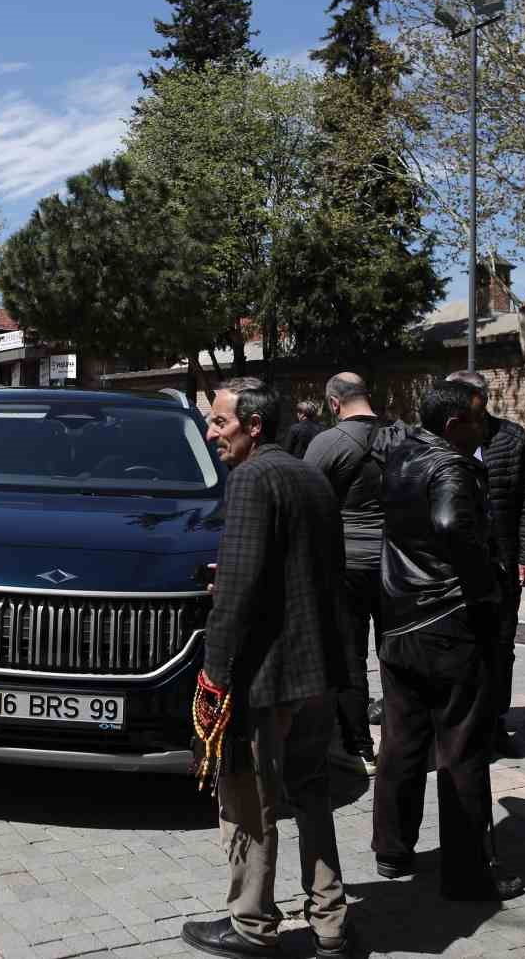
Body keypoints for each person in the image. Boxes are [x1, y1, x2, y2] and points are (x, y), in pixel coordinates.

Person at [182, 379, 351, 959]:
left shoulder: (252, 478)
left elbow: (241, 589)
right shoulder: (310, 474)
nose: (211, 433)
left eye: (220, 423)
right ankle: (330, 921)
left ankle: (251, 923)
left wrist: (214, 673)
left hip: (269, 676)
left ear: (254, 427)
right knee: (313, 793)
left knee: (249, 797)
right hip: (317, 671)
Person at [374, 381, 523, 900]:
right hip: (447, 622)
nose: (487, 429)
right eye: (479, 421)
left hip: (398, 617)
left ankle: (392, 849)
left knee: (402, 738)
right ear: (454, 424)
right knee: (461, 746)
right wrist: (486, 587)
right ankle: (467, 872)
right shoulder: (450, 465)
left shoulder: (401, 453)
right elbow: (449, 522)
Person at [303, 372, 406, 777]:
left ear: (333, 403)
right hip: (398, 565)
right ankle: (403, 742)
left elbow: (306, 502)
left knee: (350, 658)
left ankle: (357, 747)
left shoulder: (327, 443)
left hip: (345, 565)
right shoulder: (405, 437)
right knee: (396, 654)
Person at [446, 370, 525, 757]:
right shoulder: (442, 439)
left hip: (501, 564)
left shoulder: (512, 438)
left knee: (500, 645)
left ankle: (494, 720)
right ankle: (455, 721)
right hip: (452, 567)